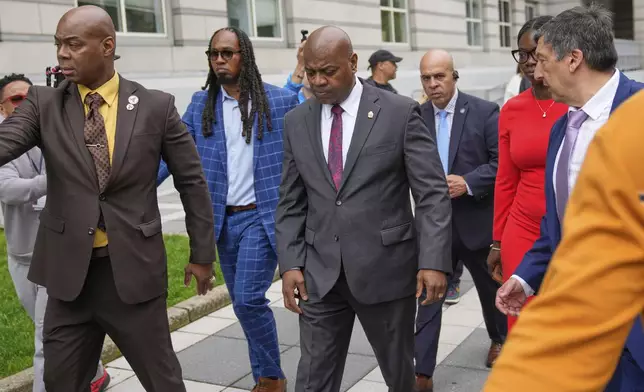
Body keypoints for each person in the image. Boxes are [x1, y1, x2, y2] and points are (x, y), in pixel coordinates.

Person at [0, 6, 217, 391]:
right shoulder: (42, 104)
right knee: (60, 382)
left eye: (73, 44)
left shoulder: (156, 106)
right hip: (69, 282)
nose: (62, 54)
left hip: (132, 277)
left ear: (106, 46)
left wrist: (201, 255)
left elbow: (192, 182)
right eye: (58, 45)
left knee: (163, 381)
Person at [275, 26, 452, 392]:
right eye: (311, 73)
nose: (319, 81)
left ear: (353, 62)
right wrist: (291, 263)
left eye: (329, 71)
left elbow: (432, 192)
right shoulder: (297, 121)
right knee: (312, 378)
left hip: (385, 271)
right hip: (320, 275)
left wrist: (433, 260)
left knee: (398, 374)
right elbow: (291, 200)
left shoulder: (399, 112)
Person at [494, 4, 644, 390]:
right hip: (584, 330)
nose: (536, 72)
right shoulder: (563, 127)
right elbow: (558, 222)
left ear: (574, 59)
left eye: (542, 60)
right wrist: (524, 278)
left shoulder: (638, 116)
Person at [158, 26, 298, 392]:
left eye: (226, 53)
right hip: (222, 222)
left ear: (245, 56)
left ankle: (272, 378)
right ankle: (264, 377)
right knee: (241, 304)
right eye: (213, 54)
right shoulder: (200, 105)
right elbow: (174, 154)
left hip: (260, 217)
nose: (218, 60)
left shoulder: (279, 102)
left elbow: (303, 157)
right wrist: (131, 187)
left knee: (251, 299)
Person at [0, 73, 110, 392]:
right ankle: (94, 374)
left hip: (58, 254)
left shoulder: (56, 130)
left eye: (28, 98)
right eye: (15, 99)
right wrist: (52, 182)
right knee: (58, 328)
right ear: (3, 107)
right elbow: (7, 188)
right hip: (21, 254)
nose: (24, 105)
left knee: (45, 337)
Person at [414, 49, 506, 391]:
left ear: (454, 76)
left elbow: (500, 165)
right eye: (426, 78)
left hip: (475, 223)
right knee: (427, 294)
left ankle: (499, 340)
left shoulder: (484, 112)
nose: (433, 84)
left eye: (440, 76)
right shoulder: (414, 116)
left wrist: (467, 183)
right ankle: (422, 371)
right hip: (432, 226)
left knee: (490, 290)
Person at [487, 16, 568, 332]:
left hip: (569, 230)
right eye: (522, 54)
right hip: (521, 229)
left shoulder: (576, 103)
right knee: (523, 325)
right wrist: (497, 240)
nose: (529, 61)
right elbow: (506, 179)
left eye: (536, 52)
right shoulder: (511, 109)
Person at [284, 39, 313, 103]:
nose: (311, 75)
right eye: (307, 69)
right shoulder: (293, 99)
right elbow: (285, 99)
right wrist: (300, 65)